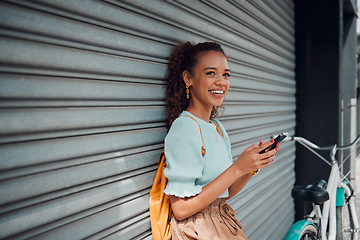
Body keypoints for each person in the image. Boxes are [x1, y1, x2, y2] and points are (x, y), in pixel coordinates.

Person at [163, 42, 278, 240]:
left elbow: (224, 193)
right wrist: (237, 168)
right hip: (198, 231)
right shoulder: (185, 127)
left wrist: (250, 167)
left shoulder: (217, 128)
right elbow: (180, 209)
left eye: (226, 74)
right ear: (188, 78)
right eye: (210, 73)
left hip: (220, 222)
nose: (221, 81)